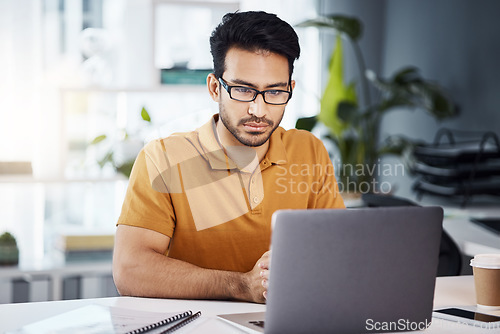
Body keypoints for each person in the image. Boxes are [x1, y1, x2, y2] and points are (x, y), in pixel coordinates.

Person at [112, 11, 345, 304]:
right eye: (243, 90)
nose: (258, 110)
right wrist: (242, 285)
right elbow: (130, 270)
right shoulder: (163, 158)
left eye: (274, 92)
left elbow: (338, 252)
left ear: (290, 89)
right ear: (214, 87)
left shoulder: (309, 150)